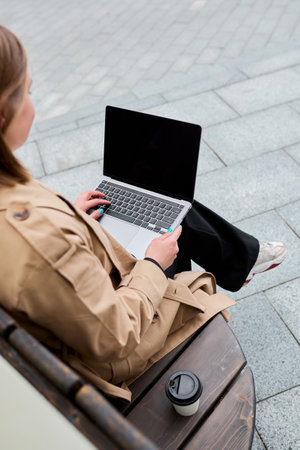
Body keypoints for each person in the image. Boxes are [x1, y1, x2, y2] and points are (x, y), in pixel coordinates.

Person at [0, 26, 286, 402]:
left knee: (164, 207)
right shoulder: (35, 235)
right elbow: (115, 337)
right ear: (5, 111)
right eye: (29, 91)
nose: (33, 101)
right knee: (172, 221)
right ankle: (236, 261)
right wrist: (152, 264)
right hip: (109, 355)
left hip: (77, 315)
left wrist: (72, 215)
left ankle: (239, 258)